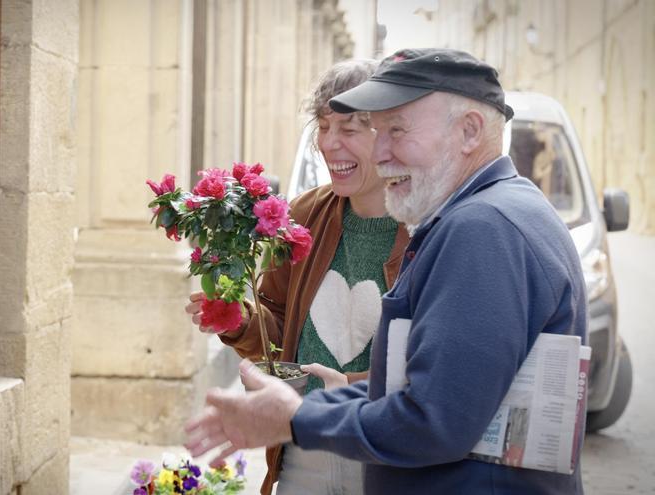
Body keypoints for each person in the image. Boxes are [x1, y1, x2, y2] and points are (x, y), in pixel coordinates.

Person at [184, 48, 587, 495]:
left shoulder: (482, 227)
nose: (379, 151)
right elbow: (422, 391)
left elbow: (432, 420)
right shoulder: (501, 209)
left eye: (395, 129)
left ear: (469, 131)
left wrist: (298, 416)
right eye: (376, 131)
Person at [185, 59, 410, 494]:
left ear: (387, 134)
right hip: (303, 449)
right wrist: (240, 321)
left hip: (386, 454)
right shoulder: (305, 213)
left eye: (349, 128)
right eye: (323, 127)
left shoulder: (427, 227)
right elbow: (279, 336)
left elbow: (427, 373)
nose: (329, 143)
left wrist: (345, 389)